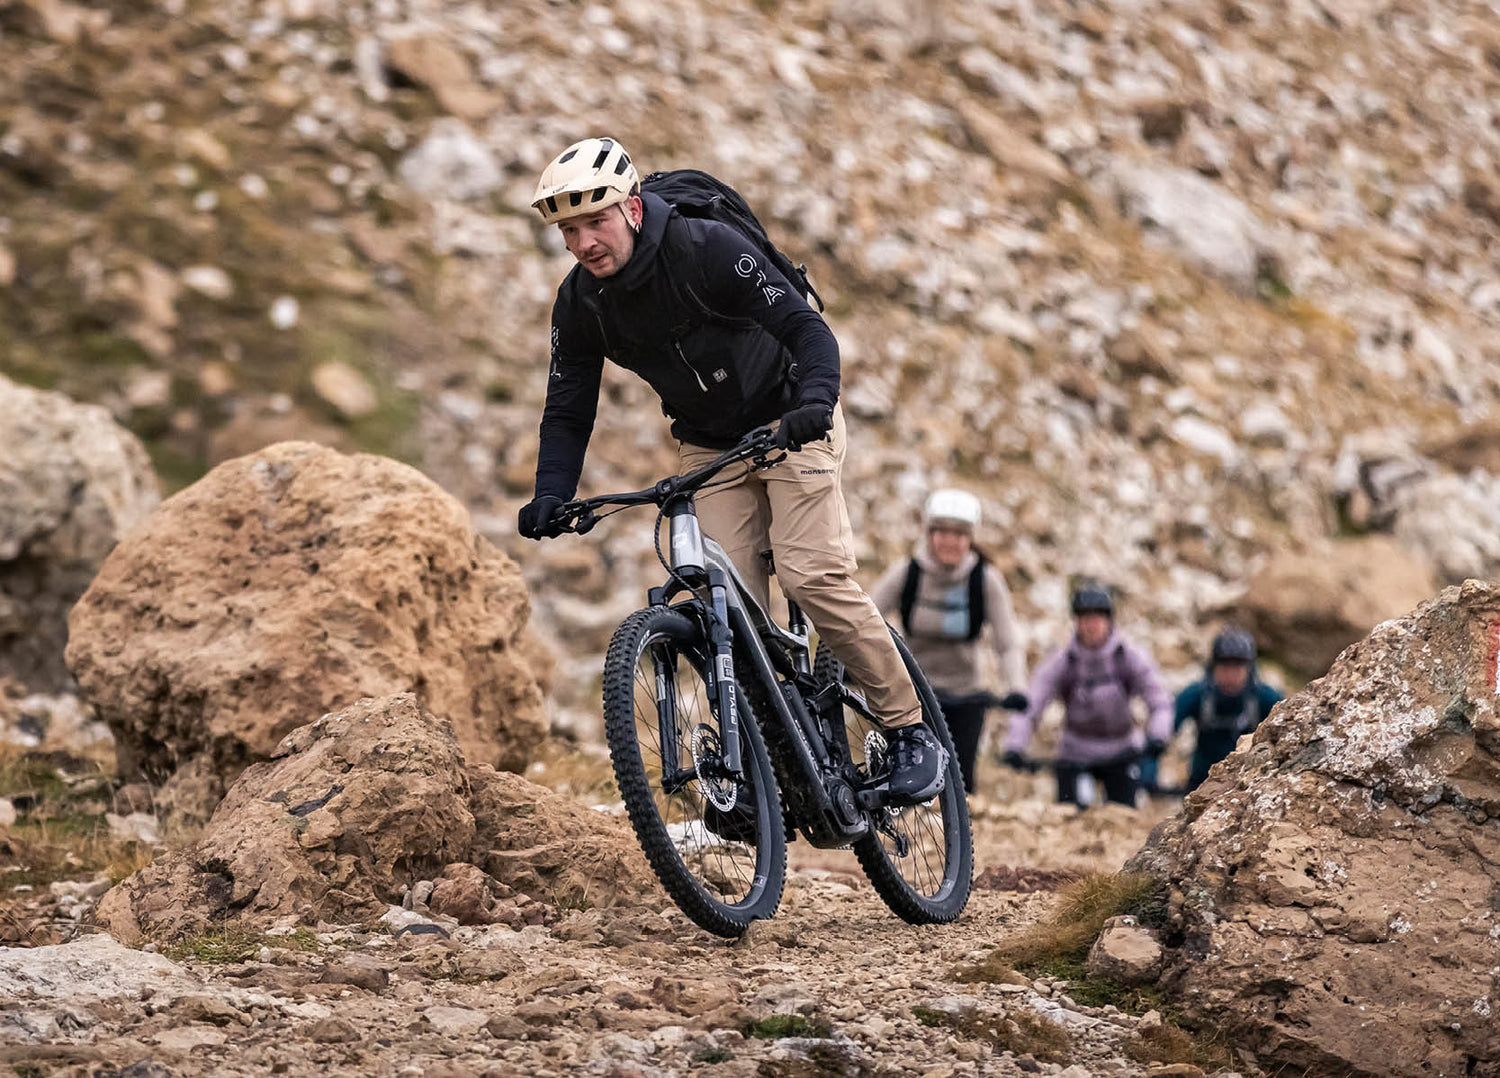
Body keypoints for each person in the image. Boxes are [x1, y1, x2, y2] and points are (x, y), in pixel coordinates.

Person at [515, 136, 945, 805]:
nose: (582, 244)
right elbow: (567, 408)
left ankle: (912, 731)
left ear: (631, 209)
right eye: (568, 231)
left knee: (811, 574)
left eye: (593, 222)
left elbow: (808, 331)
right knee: (726, 604)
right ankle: (758, 773)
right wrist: (551, 493)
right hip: (709, 446)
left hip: (790, 418)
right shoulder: (582, 304)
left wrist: (812, 403)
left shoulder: (705, 248)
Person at [870, 489, 1028, 794]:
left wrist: (1016, 687)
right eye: (942, 532)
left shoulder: (985, 579)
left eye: (959, 533)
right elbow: (867, 620)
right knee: (905, 778)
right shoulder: (906, 573)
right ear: (929, 534)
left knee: (961, 783)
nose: (950, 541)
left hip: (966, 698)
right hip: (911, 693)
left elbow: (1007, 642)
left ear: (970, 538)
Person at [1002, 583, 1172, 806]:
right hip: (1075, 753)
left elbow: (1159, 700)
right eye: (1085, 618)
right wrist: (1015, 745)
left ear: (1109, 620)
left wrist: (1159, 736)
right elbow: (1033, 702)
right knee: (1071, 820)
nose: (1091, 625)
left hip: (1122, 751)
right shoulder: (1063, 661)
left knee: (1123, 819)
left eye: (1097, 618)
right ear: (1076, 622)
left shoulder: (1128, 656)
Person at [1172, 628, 1282, 792]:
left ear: (1249, 669)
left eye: (1237, 667)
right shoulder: (1197, 695)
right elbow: (1165, 729)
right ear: (1213, 667)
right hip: (1201, 784)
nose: (1230, 674)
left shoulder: (1266, 698)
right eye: (1224, 666)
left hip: (1250, 785)